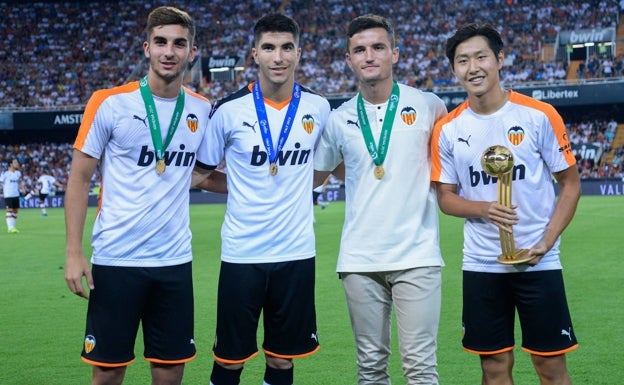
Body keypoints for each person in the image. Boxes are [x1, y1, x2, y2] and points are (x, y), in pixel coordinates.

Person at [64, 6, 213, 385]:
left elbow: (200, 175)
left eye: (179, 43)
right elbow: (79, 179)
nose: (169, 51)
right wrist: (74, 252)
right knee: (109, 373)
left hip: (174, 261)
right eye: (161, 42)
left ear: (191, 52)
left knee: (170, 372)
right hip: (116, 260)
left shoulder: (202, 109)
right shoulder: (109, 102)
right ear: (146, 47)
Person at [431, 23, 581, 385]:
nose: (473, 67)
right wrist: (483, 209)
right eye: (462, 60)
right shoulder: (448, 128)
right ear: (454, 69)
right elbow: (446, 198)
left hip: (538, 261)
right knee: (494, 366)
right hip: (481, 264)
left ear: (499, 59)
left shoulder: (539, 115)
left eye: (481, 57)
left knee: (550, 366)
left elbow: (570, 185)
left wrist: (546, 242)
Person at [195, 13, 330, 385]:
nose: (278, 57)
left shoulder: (319, 109)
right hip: (243, 254)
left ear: (299, 53)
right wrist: (240, 184)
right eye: (269, 48)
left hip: (296, 253)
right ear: (255, 53)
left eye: (287, 47)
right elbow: (201, 173)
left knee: (283, 361)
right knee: (229, 360)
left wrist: (302, 183)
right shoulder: (227, 111)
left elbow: (325, 166)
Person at [313, 14, 447, 385]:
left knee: (420, 368)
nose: (369, 55)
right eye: (360, 49)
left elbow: (451, 163)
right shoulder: (339, 120)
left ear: (395, 53)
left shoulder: (428, 105)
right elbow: (318, 174)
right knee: (370, 369)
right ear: (349, 59)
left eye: (377, 47)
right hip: (359, 260)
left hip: (417, 256)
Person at [1, 159, 25, 233]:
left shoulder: (18, 173)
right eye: (15, 162)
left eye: (17, 162)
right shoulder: (5, 174)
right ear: (11, 164)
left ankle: (13, 227)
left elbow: (19, 181)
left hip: (16, 194)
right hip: (8, 195)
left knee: (15, 211)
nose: (17, 164)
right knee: (9, 211)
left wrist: (22, 188)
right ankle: (10, 228)